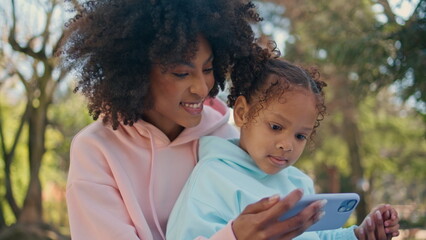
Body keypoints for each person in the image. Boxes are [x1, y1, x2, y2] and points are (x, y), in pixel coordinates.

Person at [59, 0, 327, 239]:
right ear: (136, 72)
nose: (202, 88)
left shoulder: (229, 141)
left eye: (208, 69)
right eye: (180, 73)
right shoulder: (96, 150)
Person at [166, 51, 400, 240]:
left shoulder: (299, 184)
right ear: (241, 113)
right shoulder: (214, 176)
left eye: (300, 136)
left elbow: (317, 237)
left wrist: (358, 235)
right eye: (276, 127)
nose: (287, 145)